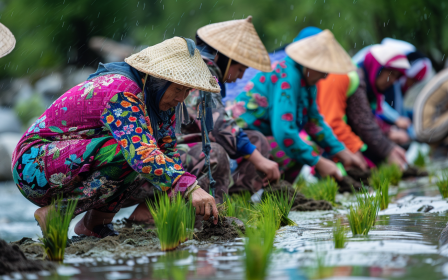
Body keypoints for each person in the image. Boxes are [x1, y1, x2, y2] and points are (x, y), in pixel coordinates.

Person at [12, 37, 221, 238]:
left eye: (186, 91)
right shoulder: (122, 90)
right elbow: (140, 152)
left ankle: (95, 224)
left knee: (157, 160)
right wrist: (189, 186)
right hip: (34, 164)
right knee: (133, 153)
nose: (181, 98)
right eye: (177, 89)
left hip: (74, 160)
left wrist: (182, 189)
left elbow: (167, 152)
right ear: (158, 80)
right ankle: (57, 213)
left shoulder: (162, 102)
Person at [231, 30, 364, 183]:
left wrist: (342, 152)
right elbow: (284, 133)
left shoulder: (308, 83)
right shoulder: (288, 77)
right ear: (310, 63)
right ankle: (256, 189)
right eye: (323, 69)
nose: (326, 76)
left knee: (310, 148)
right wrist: (319, 163)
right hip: (240, 139)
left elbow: (314, 123)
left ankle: (277, 192)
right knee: (291, 150)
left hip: (258, 139)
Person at [183, 16, 280, 195]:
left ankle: (238, 199)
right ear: (224, 59)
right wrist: (258, 158)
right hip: (168, 150)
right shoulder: (201, 71)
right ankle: (211, 216)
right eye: (241, 69)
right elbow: (217, 125)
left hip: (188, 144)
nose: (241, 77)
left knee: (256, 140)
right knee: (215, 153)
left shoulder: (208, 70)